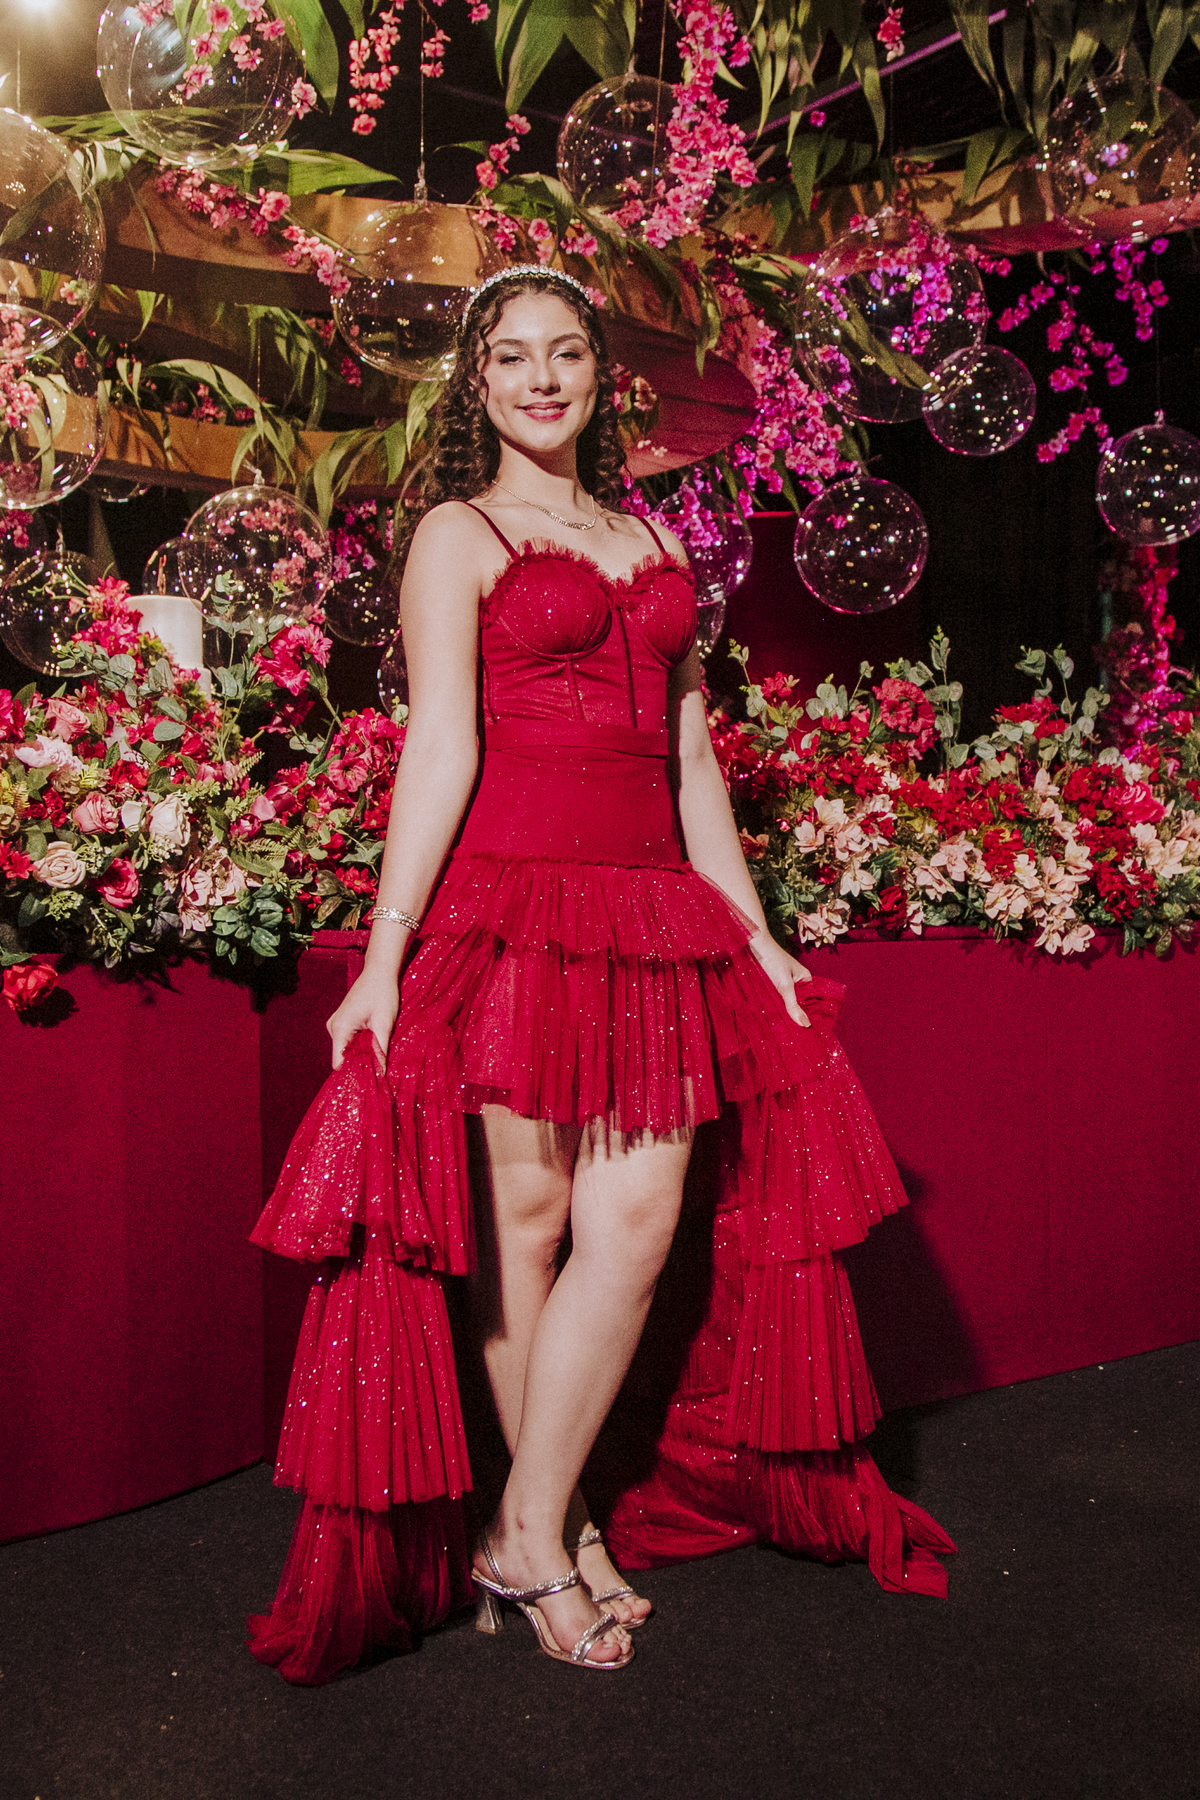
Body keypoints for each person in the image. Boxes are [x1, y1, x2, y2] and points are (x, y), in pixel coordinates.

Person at [248, 265, 954, 1685]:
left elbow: (690, 759)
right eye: (512, 357)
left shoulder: (648, 533)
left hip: (651, 912)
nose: (541, 379)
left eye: (564, 353)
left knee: (633, 1224)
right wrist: (383, 957)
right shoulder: (456, 531)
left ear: (597, 375)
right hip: (513, 906)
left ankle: (523, 1528)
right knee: (527, 1221)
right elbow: (440, 745)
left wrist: (754, 931)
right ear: (479, 382)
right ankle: (553, 1530)